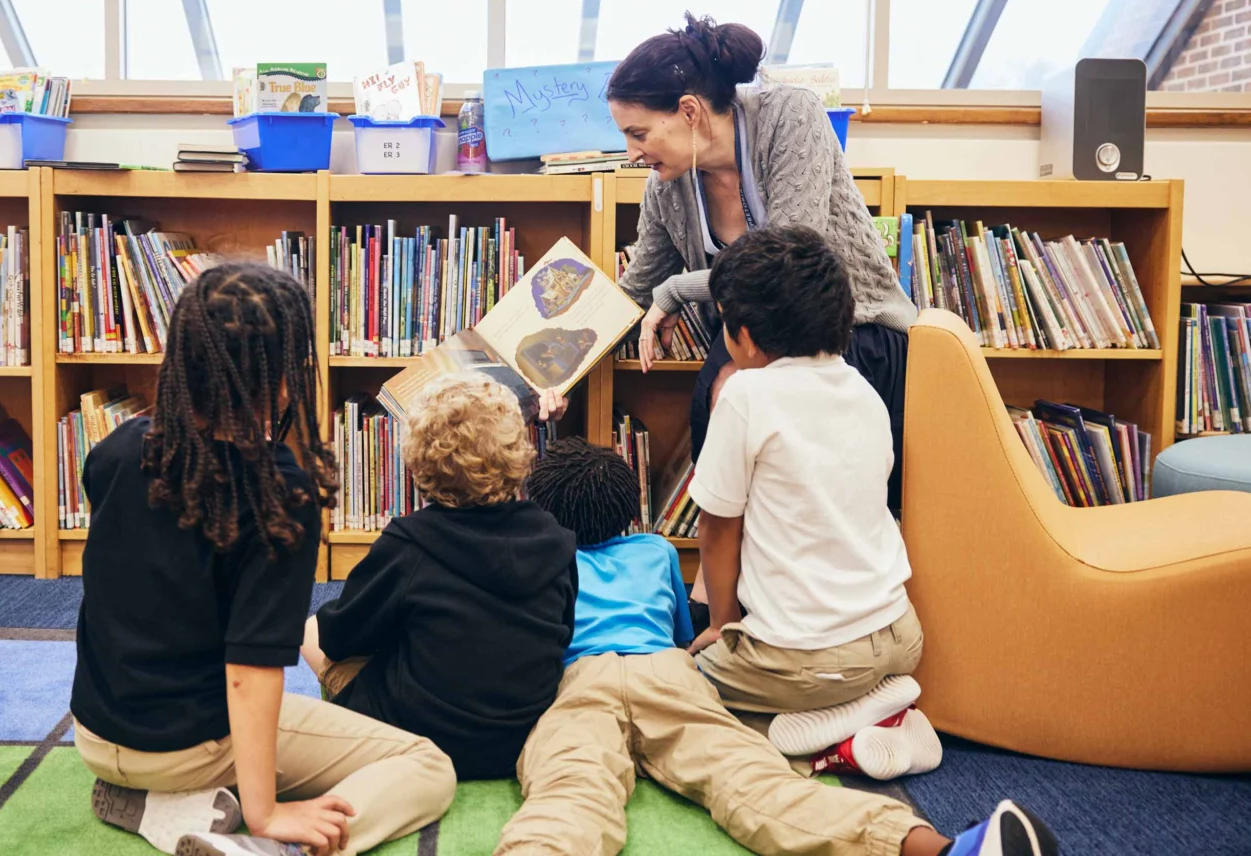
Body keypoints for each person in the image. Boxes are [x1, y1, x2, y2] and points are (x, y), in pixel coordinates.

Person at [497, 438, 1056, 856]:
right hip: (665, 671)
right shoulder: (654, 549)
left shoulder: (543, 556)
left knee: (570, 785)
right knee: (750, 779)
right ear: (629, 508)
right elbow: (679, 634)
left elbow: (536, 637)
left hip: (581, 678)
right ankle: (934, 848)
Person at [70, 263, 455, 856]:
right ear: (281, 377)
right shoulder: (277, 492)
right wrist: (267, 812)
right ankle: (273, 849)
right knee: (425, 764)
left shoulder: (117, 448)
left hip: (95, 734)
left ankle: (161, 805)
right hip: (185, 744)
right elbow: (250, 674)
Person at [609, 12, 916, 497]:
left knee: (742, 398)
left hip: (849, 329)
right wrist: (547, 372)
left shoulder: (791, 116)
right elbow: (632, 293)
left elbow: (788, 265)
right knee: (719, 405)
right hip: (751, 339)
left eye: (639, 134)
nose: (630, 153)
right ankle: (736, 558)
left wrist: (675, 291)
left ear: (689, 111)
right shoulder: (664, 188)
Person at [686, 226, 939, 779]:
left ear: (745, 336)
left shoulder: (746, 395)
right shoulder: (863, 389)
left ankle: (830, 744)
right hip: (900, 636)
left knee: (678, 686)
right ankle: (883, 714)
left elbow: (718, 526)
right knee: (814, 671)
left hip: (806, 661)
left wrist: (722, 628)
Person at [301, 374, 578, 781]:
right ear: (519, 451)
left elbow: (340, 637)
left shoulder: (408, 545)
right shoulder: (555, 539)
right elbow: (563, 633)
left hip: (421, 741)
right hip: (518, 739)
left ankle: (351, 739)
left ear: (417, 464)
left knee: (310, 629)